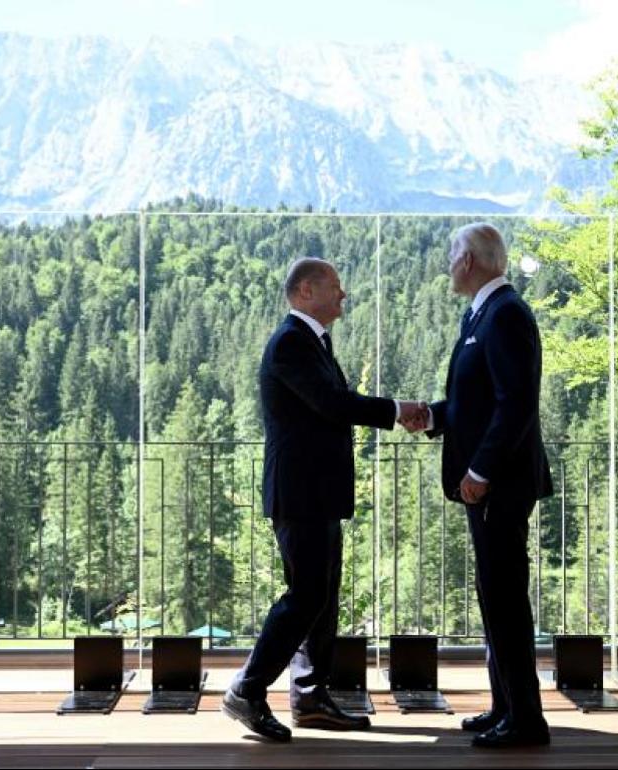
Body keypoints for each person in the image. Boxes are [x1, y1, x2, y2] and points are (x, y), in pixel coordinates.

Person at [222, 257, 428, 742]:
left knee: (322, 597)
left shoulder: (313, 341)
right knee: (305, 595)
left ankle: (311, 698)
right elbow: (333, 405)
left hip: (317, 493)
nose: (344, 293)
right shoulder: (291, 342)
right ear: (306, 291)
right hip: (300, 494)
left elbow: (329, 408)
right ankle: (246, 691)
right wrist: (398, 410)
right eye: (335, 285)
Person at [405, 222, 553, 748]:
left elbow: (516, 404)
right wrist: (433, 416)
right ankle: (506, 706)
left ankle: (526, 719)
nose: (448, 264)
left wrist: (481, 471)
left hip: (500, 485)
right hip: (491, 485)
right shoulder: (481, 313)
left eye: (452, 255)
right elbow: (476, 403)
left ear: (468, 261)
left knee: (505, 597)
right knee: (494, 593)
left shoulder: (507, 313)